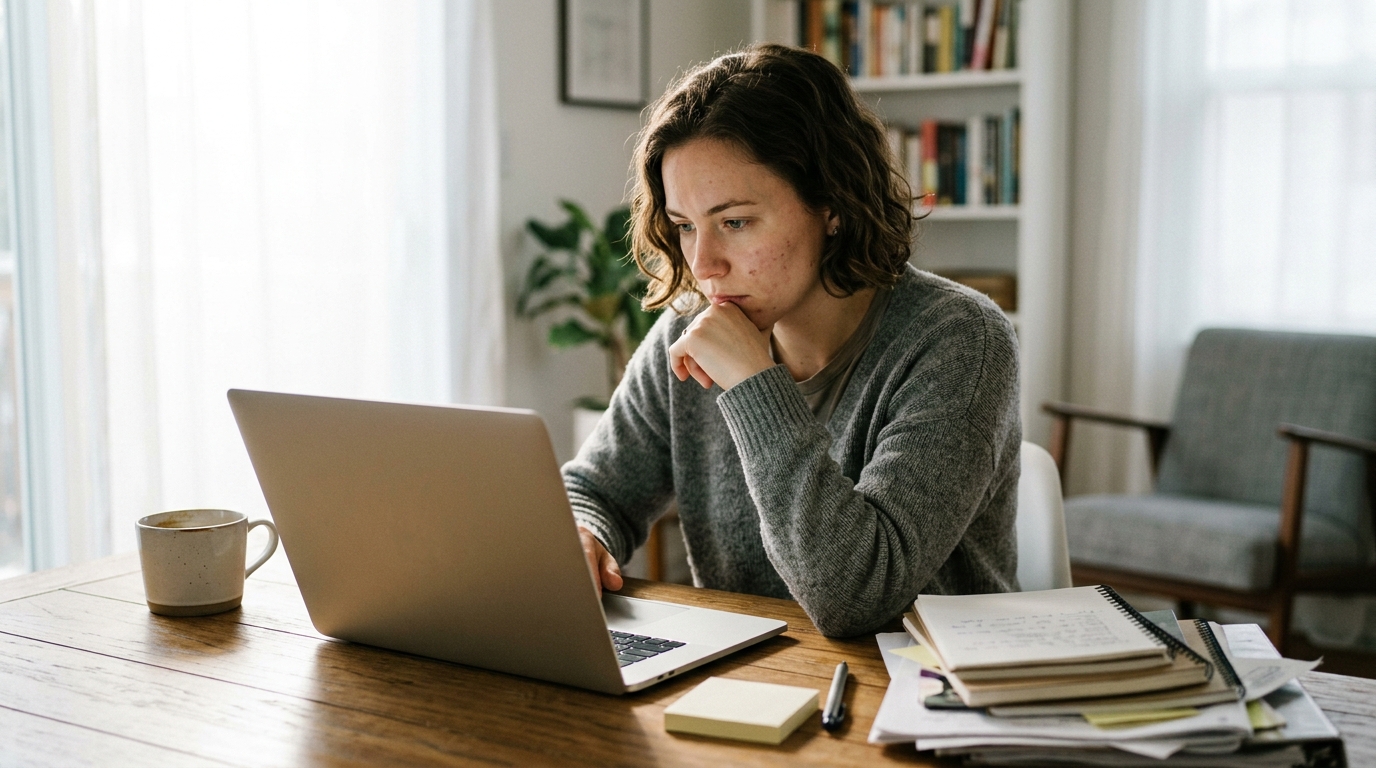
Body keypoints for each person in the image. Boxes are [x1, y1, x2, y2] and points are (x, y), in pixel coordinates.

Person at [563, 43, 1020, 638]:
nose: (703, 264)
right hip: (752, 682)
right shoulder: (687, 328)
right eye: (683, 226)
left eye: (735, 222)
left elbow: (855, 598)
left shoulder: (961, 341)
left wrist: (756, 387)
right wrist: (584, 532)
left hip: (927, 695)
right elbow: (595, 488)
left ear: (831, 205)